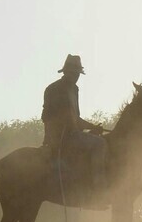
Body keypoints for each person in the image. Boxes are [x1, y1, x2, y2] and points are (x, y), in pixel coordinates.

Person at [41, 55, 107, 196]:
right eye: (74, 73)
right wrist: (91, 126)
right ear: (66, 72)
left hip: (68, 133)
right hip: (64, 136)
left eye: (77, 74)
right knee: (100, 144)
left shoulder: (72, 89)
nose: (76, 76)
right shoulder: (57, 89)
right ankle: (98, 187)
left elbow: (74, 118)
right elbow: (65, 118)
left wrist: (92, 127)